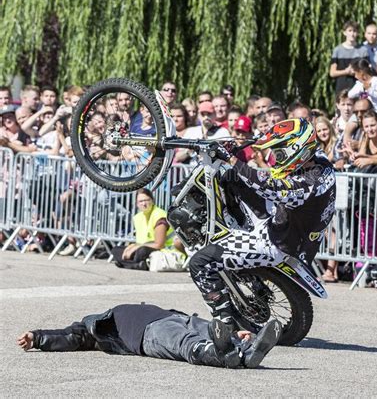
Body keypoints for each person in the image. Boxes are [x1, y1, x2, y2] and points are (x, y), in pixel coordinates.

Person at [189, 118, 336, 329]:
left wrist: (233, 159)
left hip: (275, 242)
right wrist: (242, 144)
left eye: (280, 153)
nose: (276, 157)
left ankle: (225, 322)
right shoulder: (320, 160)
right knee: (231, 179)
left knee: (199, 263)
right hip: (285, 224)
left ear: (297, 151)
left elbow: (271, 186)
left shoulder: (307, 186)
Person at [17, 302, 282, 369]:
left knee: (213, 331)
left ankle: (247, 351)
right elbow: (70, 336)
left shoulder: (117, 314)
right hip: (150, 333)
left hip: (176, 317)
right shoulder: (92, 328)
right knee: (186, 343)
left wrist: (235, 332)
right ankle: (218, 354)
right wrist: (38, 337)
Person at [112, 189, 180, 270]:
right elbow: (141, 241)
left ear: (152, 201)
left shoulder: (159, 215)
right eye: (140, 201)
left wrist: (136, 247)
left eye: (147, 200)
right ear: (137, 204)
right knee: (116, 250)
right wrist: (133, 246)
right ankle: (138, 264)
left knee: (141, 252)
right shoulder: (137, 217)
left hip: (163, 251)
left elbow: (159, 245)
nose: (144, 204)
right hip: (145, 247)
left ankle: (130, 264)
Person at [329, 20, 369, 93]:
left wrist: (356, 71)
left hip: (359, 87)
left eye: (354, 31)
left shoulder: (363, 50)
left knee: (361, 104)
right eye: (349, 31)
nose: (352, 34)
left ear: (358, 33)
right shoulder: (338, 50)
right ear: (344, 33)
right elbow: (332, 73)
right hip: (342, 87)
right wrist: (346, 72)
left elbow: (367, 71)